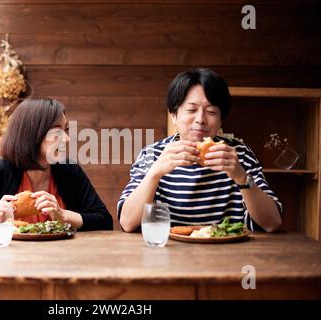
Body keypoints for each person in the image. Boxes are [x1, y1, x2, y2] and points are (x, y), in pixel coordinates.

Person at [118, 68, 282, 233]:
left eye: (211, 112)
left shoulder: (238, 153)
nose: (200, 120)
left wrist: (241, 176)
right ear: (174, 115)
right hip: (168, 252)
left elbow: (272, 223)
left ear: (221, 119)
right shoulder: (152, 154)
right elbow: (127, 222)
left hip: (229, 254)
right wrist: (155, 173)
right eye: (191, 110)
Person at [0, 97, 113, 231]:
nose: (66, 139)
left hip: (61, 263)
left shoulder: (69, 171)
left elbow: (104, 220)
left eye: (65, 130)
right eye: (57, 131)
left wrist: (62, 215)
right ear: (33, 134)